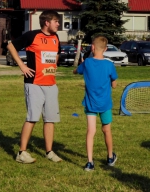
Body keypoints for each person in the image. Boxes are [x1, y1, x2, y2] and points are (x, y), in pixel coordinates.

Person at [7, 10, 63, 164]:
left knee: (50, 119)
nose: (58, 24)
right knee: (32, 117)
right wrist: (22, 66)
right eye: (56, 21)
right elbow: (11, 46)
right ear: (47, 22)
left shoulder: (55, 37)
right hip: (34, 83)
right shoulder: (32, 35)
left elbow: (57, 54)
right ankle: (21, 153)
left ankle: (49, 151)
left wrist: (53, 65)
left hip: (51, 84)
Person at [73, 36, 118, 171]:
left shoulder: (86, 63)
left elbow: (76, 71)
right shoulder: (109, 65)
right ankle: (110, 156)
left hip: (91, 104)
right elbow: (114, 85)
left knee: (90, 132)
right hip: (105, 104)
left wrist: (79, 66)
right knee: (107, 130)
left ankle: (90, 162)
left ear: (92, 47)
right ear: (105, 49)